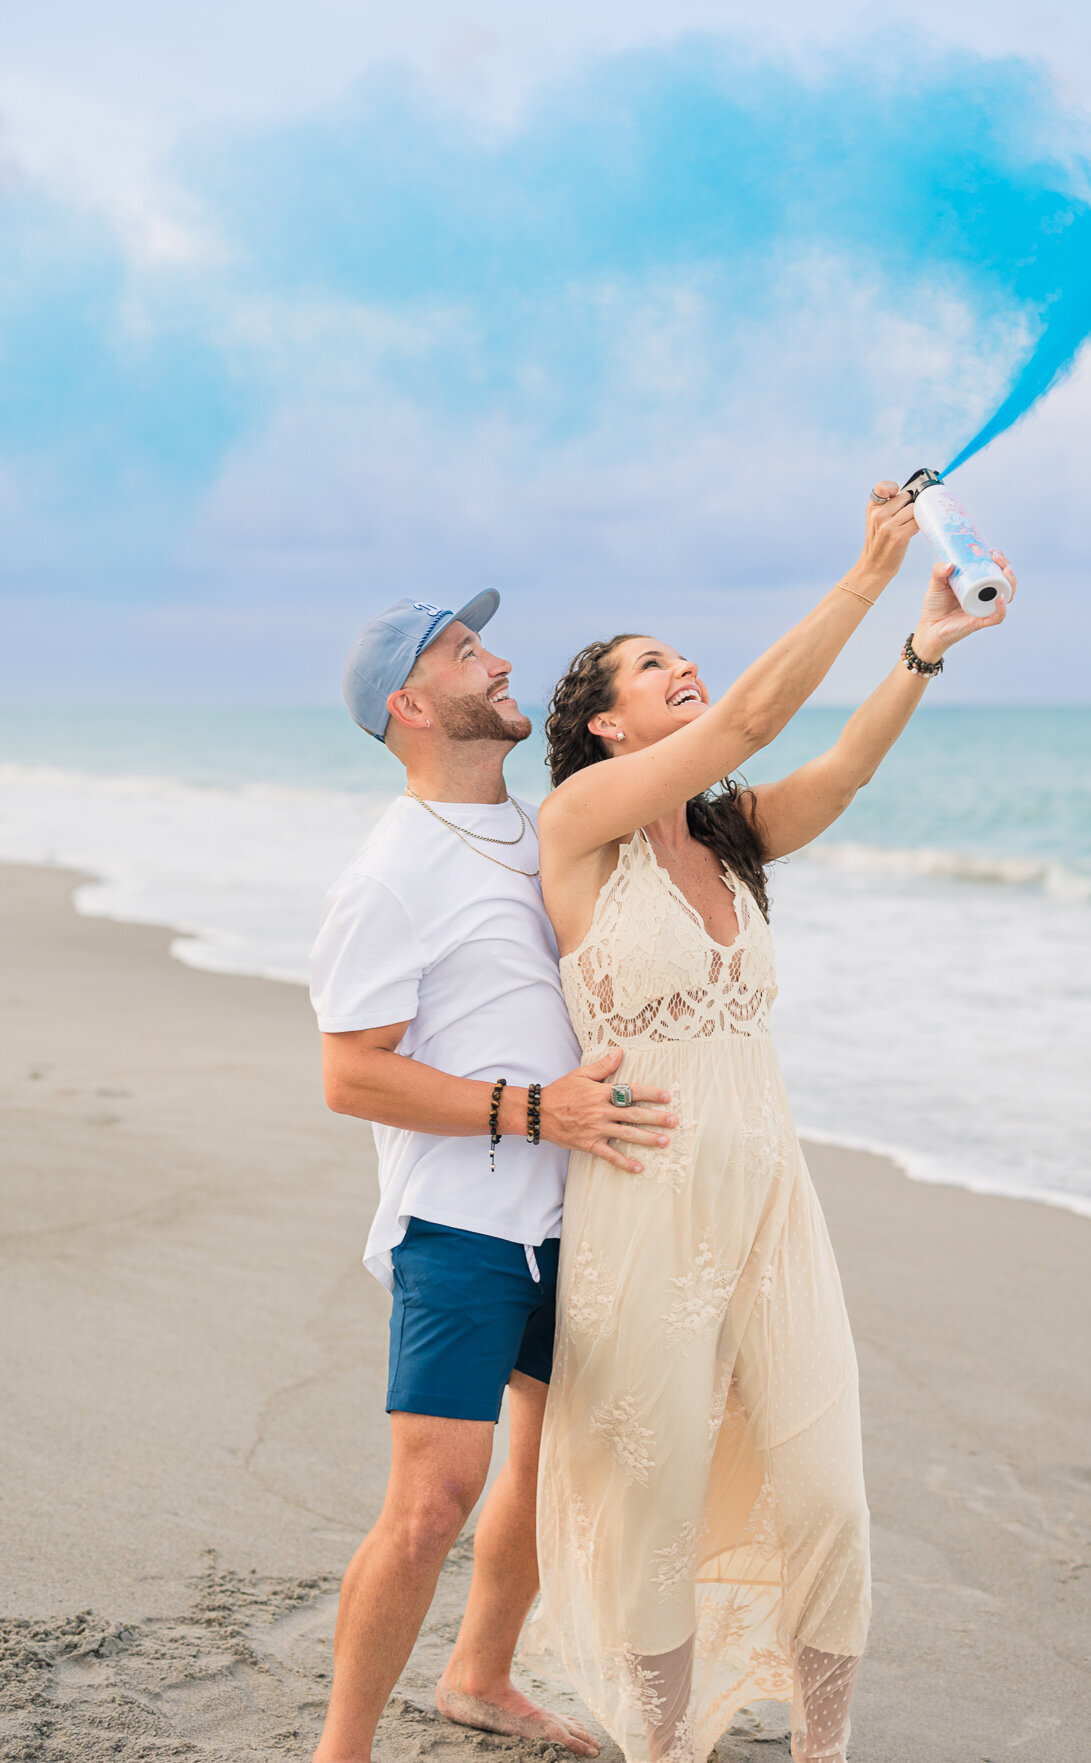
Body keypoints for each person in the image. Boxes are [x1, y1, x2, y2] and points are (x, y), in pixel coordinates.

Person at [527, 480, 1016, 1763]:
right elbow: (750, 710)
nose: (683, 668)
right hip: (644, 1208)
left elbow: (836, 772)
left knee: (828, 1497)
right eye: (652, 665)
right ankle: (664, 1747)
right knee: (658, 1505)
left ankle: (824, 1748)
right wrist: (861, 576)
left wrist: (921, 644)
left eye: (682, 654)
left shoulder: (728, 831)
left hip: (770, 1198)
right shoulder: (578, 827)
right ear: (601, 723)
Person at [307, 589, 677, 1763]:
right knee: (432, 1503)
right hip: (461, 1225)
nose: (500, 659)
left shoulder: (556, 827)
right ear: (412, 706)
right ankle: (342, 1749)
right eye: (469, 653)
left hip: (583, 1213)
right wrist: (532, 1110)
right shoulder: (387, 875)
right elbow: (350, 1076)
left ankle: (479, 1676)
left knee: (550, 1462)